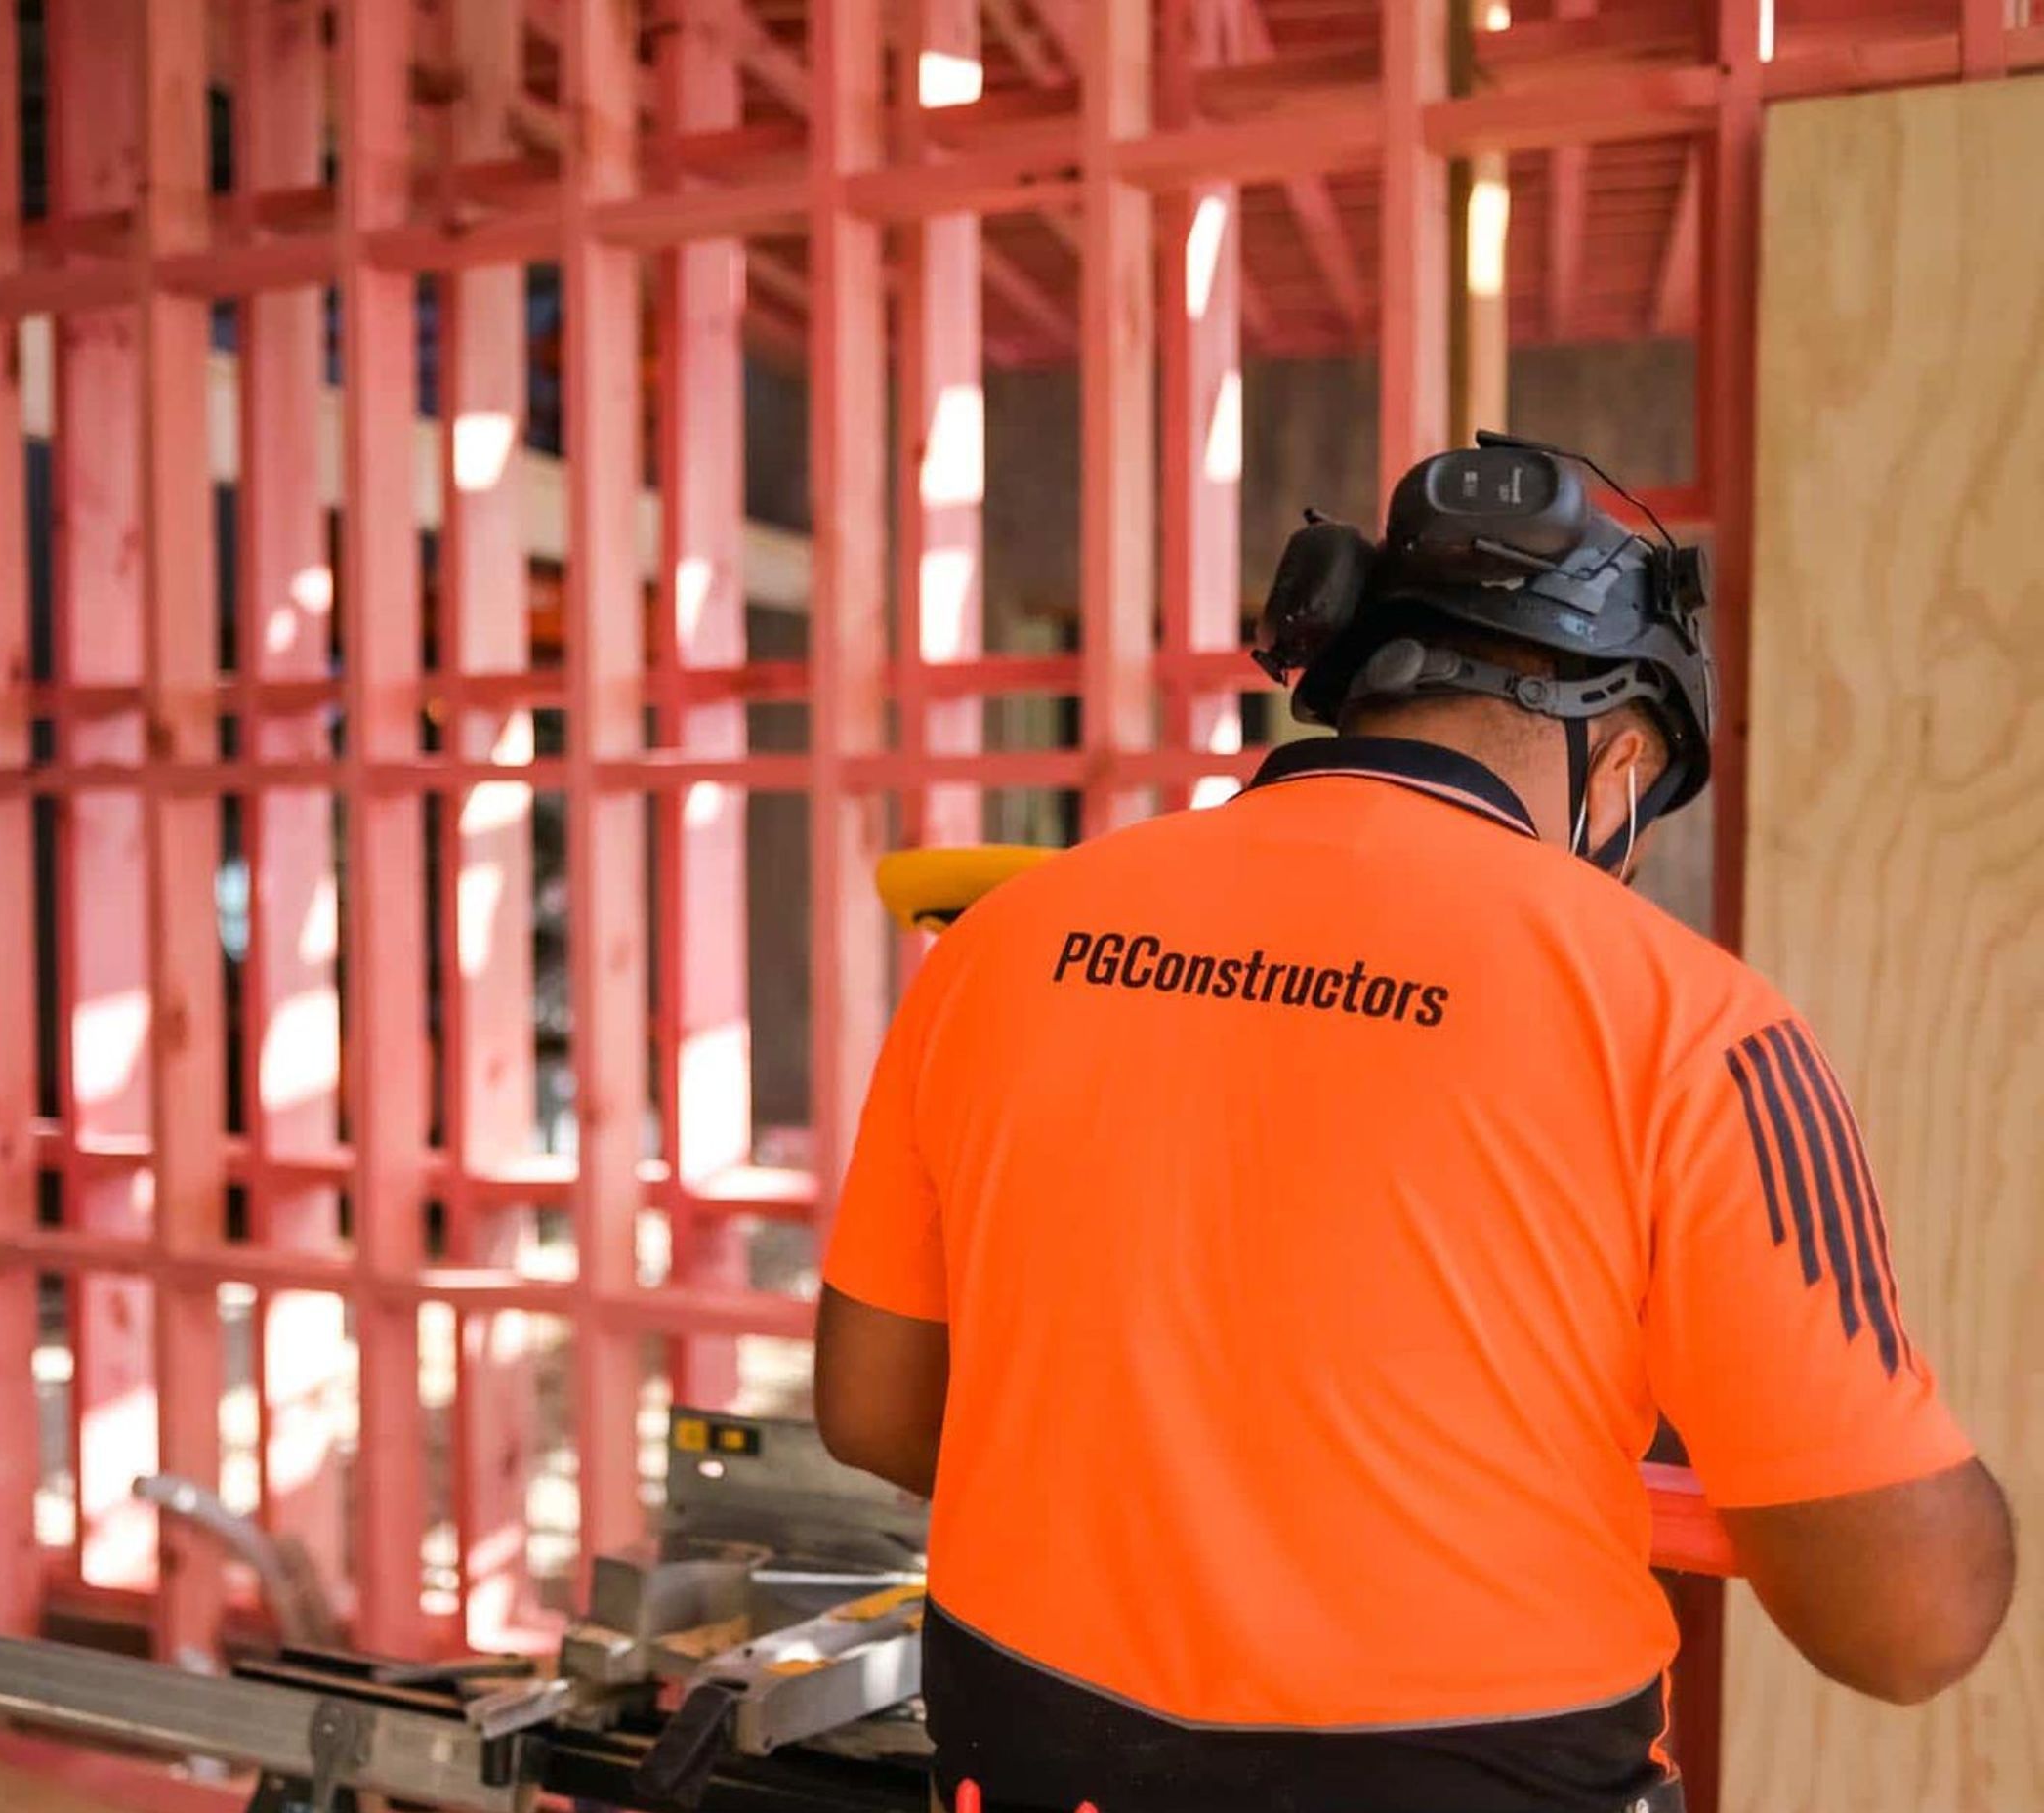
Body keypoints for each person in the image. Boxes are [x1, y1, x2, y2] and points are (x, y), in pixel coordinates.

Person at [813, 436, 2015, 1813]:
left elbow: (875, 1410)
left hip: (1021, 1757)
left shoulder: (1003, 940)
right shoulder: (1693, 1024)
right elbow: (1911, 1621)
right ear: (1619, 760)